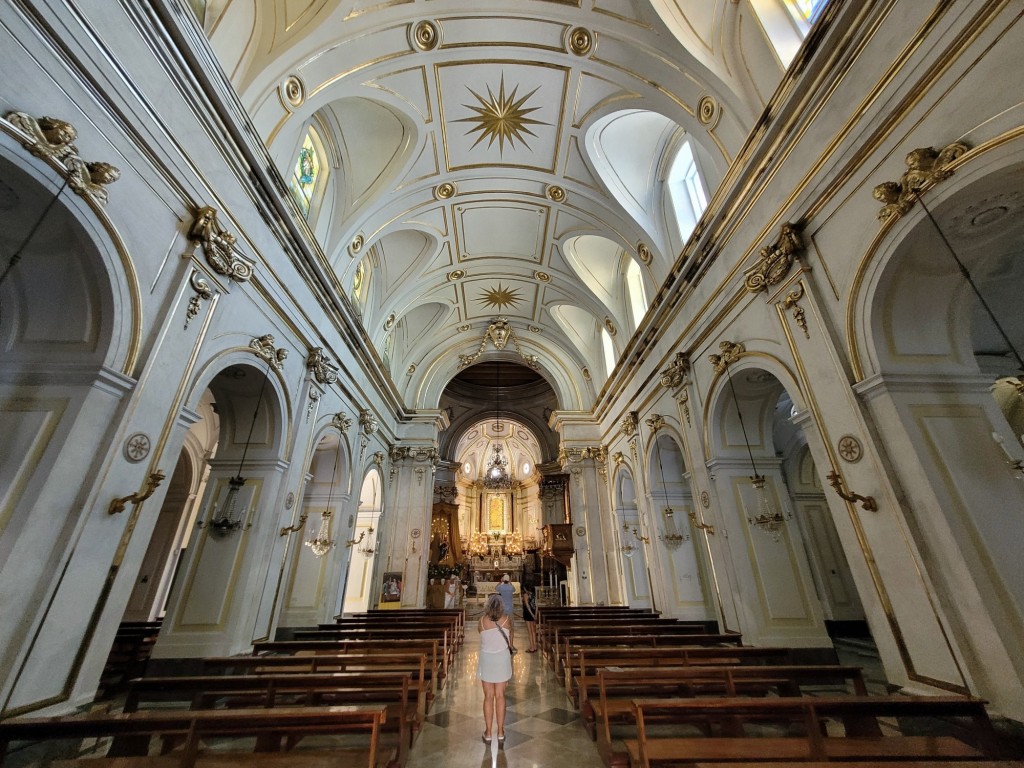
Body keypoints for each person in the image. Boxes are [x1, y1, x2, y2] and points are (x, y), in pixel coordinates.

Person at [478, 594, 514, 745]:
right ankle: (500, 732)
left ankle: (488, 732)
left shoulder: (481, 621)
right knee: (500, 696)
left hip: (487, 659)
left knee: (488, 697)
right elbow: (510, 640)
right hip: (501, 659)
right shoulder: (507, 620)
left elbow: (481, 633)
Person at [521, 580, 538, 652]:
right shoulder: (533, 594)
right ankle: (535, 646)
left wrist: (532, 615)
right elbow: (537, 605)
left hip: (528, 613)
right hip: (534, 612)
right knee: (533, 631)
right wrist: (535, 614)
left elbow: (527, 606)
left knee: (530, 631)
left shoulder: (525, 595)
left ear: (525, 588)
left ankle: (531, 648)